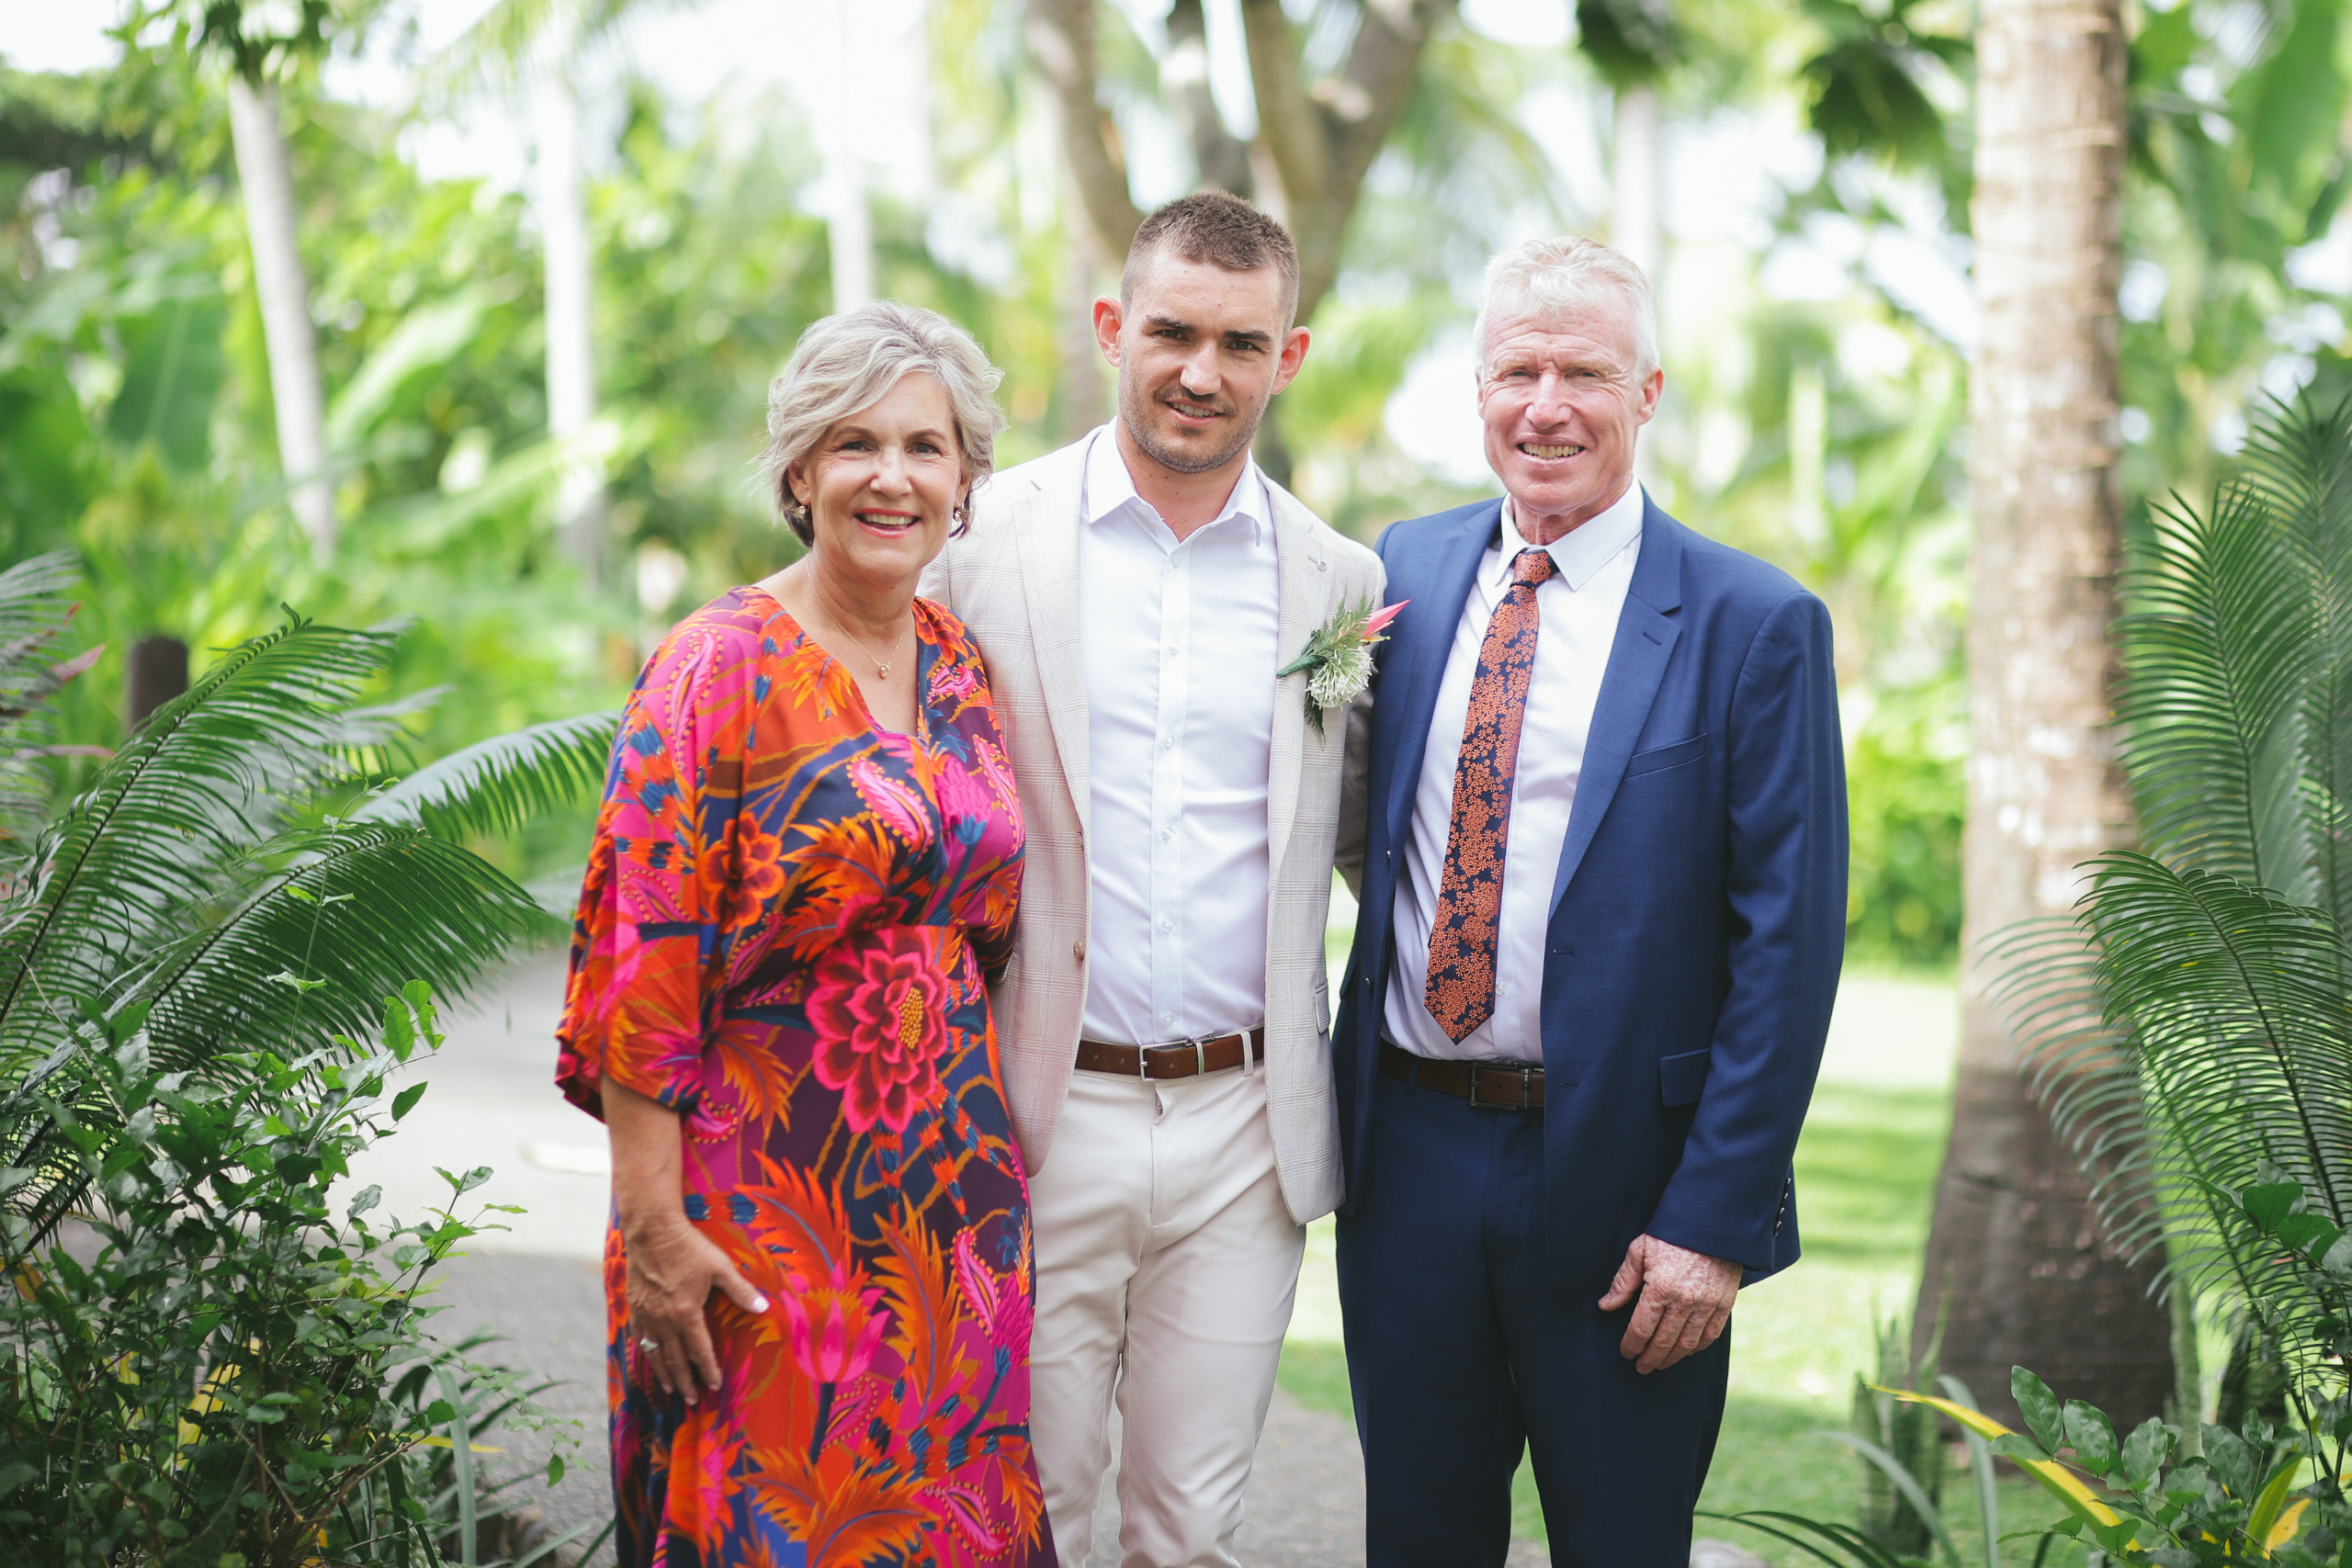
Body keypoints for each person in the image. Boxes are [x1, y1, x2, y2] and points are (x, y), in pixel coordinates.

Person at [1332, 235, 1848, 1565]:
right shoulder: (1409, 571)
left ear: (1650, 391)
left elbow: (1786, 949)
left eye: (1583, 371)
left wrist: (1711, 1226)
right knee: (1418, 1540)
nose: (1545, 403)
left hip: (1635, 1189)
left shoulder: (1754, 621)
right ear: (1481, 387)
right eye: (1518, 369)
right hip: (1413, 1157)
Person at [921, 190, 1384, 1568]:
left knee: (1190, 1528)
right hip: (1038, 1106)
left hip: (1250, 1128)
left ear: (1286, 359)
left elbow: (1368, 835)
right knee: (1030, 1514)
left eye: (1242, 344)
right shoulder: (980, 539)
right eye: (1173, 332)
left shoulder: (1339, 583)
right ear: (1114, 327)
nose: (1202, 371)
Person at [555, 301, 1053, 1568]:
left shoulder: (957, 661)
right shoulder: (713, 666)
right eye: (855, 445)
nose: (892, 477)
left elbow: (985, 930)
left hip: (953, 1215)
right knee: (778, 1519)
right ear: (798, 472)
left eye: (926, 447)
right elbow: (640, 976)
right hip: (761, 1209)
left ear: (966, 480)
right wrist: (655, 1229)